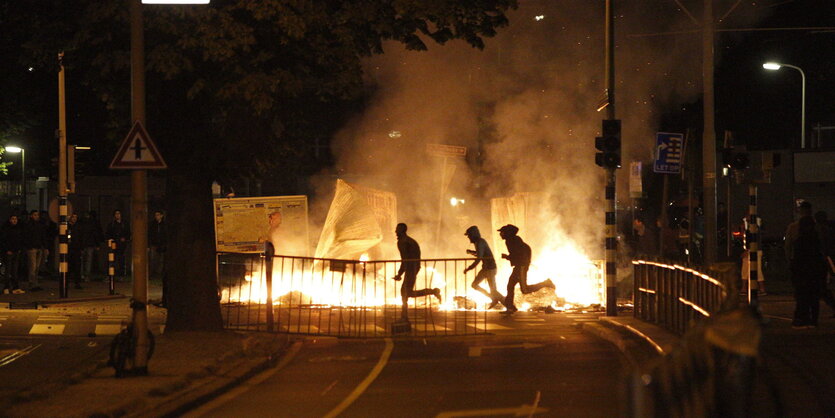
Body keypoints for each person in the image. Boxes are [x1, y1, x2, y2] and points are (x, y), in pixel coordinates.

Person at [784, 201, 830, 328]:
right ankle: (813, 320)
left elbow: (788, 247)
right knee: (815, 294)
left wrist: (790, 262)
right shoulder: (818, 228)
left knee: (801, 294)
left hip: (799, 265)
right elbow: (824, 247)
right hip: (815, 265)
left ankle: (801, 319)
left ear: (800, 211)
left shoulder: (793, 227)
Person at [498, 224, 554, 315]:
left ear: (508, 233)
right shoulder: (512, 240)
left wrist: (507, 257)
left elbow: (517, 255)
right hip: (519, 266)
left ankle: (546, 283)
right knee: (510, 285)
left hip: (521, 267)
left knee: (525, 290)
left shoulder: (513, 241)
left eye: (502, 232)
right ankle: (510, 307)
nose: (501, 234)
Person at [392, 223, 441, 322]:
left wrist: (399, 274)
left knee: (405, 292)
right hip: (413, 267)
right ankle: (404, 316)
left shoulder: (403, 242)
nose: (395, 232)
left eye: (397, 230)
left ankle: (404, 316)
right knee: (406, 292)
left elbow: (405, 259)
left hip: (411, 267)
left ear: (402, 231)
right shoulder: (408, 241)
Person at [463, 225, 503, 309]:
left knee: (493, 290)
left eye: (469, 235)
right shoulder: (479, 242)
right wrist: (471, 252)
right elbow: (480, 254)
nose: (469, 238)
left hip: (490, 269)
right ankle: (493, 298)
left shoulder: (480, 242)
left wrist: (469, 268)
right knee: (475, 285)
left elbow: (479, 258)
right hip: (486, 268)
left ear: (473, 235)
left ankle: (509, 305)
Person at [813, 211, 835, 316]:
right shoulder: (828, 230)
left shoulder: (818, 231)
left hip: (822, 260)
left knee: (821, 287)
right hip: (826, 259)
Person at [0, 214, 26, 294]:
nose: (14, 220)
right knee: (8, 270)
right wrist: (7, 249)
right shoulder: (6, 229)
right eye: (13, 219)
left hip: (16, 251)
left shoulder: (18, 229)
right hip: (9, 251)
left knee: (14, 270)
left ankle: (15, 287)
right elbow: (3, 240)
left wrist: (19, 249)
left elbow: (20, 239)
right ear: (10, 220)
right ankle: (7, 287)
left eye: (15, 219)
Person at [77, 211, 103, 281]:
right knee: (88, 260)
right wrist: (97, 244)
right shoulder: (93, 223)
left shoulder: (80, 223)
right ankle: (86, 275)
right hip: (90, 244)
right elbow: (96, 234)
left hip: (83, 244)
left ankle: (81, 274)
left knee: (81, 260)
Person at [106, 210, 131, 279]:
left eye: (118, 214)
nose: (117, 215)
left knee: (121, 260)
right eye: (116, 214)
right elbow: (108, 234)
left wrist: (125, 239)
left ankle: (121, 275)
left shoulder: (125, 224)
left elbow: (128, 233)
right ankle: (110, 275)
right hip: (114, 244)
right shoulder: (111, 224)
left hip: (122, 245)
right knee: (112, 260)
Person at [67, 213, 84, 289]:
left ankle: (77, 282)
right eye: (73, 217)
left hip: (76, 248)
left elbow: (81, 237)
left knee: (77, 266)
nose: (74, 219)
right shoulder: (67, 226)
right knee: (68, 265)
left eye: (76, 217)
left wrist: (81, 248)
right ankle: (66, 281)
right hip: (68, 249)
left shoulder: (78, 227)